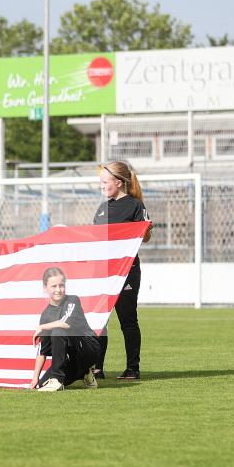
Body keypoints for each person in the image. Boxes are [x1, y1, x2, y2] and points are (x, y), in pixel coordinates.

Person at [93, 160, 152, 381]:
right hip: (103, 272)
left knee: (128, 320)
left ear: (118, 182)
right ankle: (96, 368)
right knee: (99, 321)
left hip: (127, 271)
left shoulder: (135, 206)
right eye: (100, 182)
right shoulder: (102, 209)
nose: (102, 186)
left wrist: (146, 229)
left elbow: (145, 238)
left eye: (105, 182)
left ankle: (132, 369)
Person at [30, 267, 100, 391]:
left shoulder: (73, 300)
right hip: (71, 357)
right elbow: (42, 351)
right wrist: (35, 378)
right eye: (54, 286)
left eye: (61, 285)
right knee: (42, 384)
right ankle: (84, 372)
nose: (58, 290)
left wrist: (42, 327)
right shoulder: (45, 315)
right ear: (45, 288)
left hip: (88, 349)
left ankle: (58, 379)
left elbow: (65, 323)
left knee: (58, 331)